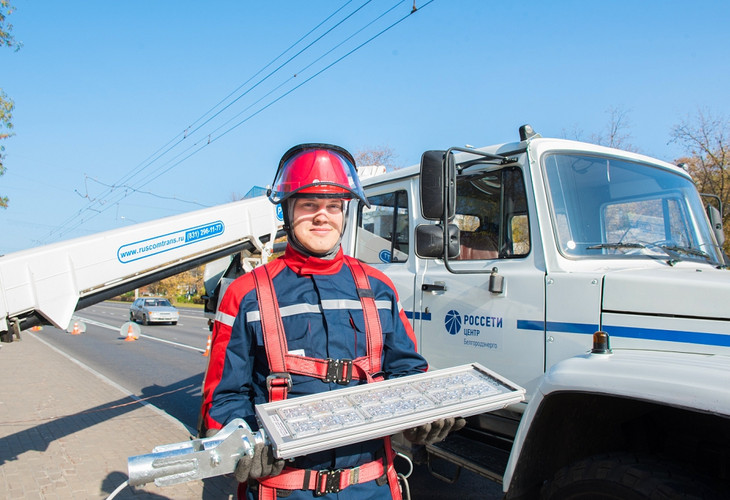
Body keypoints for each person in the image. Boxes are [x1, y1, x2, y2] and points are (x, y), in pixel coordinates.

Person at [199, 143, 464, 499]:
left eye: (333, 206)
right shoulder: (246, 295)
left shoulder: (379, 289)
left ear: (345, 213)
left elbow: (407, 372)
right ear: (286, 210)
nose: (322, 216)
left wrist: (421, 417)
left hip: (372, 487)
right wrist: (241, 439)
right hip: (285, 490)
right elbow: (223, 398)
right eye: (309, 204)